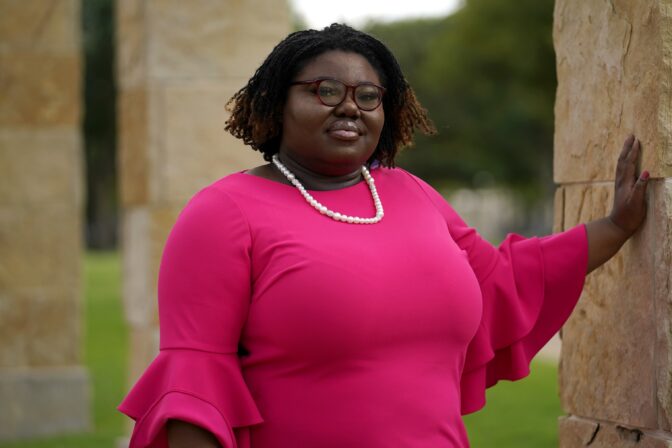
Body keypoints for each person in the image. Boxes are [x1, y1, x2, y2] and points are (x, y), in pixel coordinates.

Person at [119, 24, 649, 448]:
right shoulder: (222, 213)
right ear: (275, 104)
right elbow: (194, 387)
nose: (349, 106)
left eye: (368, 95)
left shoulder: (411, 193)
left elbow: (503, 282)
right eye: (324, 90)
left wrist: (615, 226)